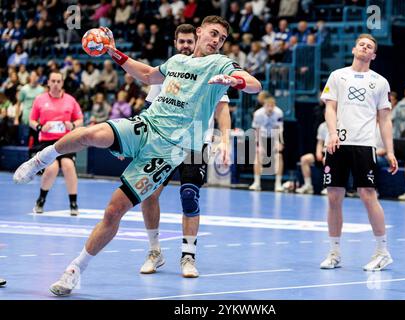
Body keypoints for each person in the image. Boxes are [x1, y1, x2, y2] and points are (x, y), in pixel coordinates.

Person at [13, 15, 261, 296]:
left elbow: (254, 84)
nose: (217, 40)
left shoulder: (220, 63)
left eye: (222, 38)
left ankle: (74, 271)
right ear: (200, 31)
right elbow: (146, 75)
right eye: (213, 33)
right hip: (146, 125)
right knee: (89, 134)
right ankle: (40, 159)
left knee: (114, 210)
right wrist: (112, 51)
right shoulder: (177, 61)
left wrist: (235, 81)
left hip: (170, 150)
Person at [138, 24, 232, 278]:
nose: (186, 45)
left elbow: (223, 109)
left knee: (189, 195)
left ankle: (188, 257)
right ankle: (154, 251)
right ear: (176, 42)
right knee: (149, 193)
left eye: (189, 41)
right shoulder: (172, 66)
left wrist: (225, 140)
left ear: (197, 38)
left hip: (195, 141)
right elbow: (149, 108)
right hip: (163, 140)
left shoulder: (214, 68)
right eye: (182, 41)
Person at [320, 34, 398, 271]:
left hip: (364, 145)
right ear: (354, 49)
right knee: (333, 196)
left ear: (373, 55)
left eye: (370, 47)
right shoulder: (337, 76)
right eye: (362, 44)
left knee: (367, 194)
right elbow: (330, 108)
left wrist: (390, 151)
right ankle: (334, 252)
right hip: (337, 144)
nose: (365, 48)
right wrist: (332, 133)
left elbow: (385, 120)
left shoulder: (380, 82)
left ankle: (382, 251)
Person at [28, 72, 84, 215]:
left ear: (62, 83)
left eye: (58, 81)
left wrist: (72, 125)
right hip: (47, 141)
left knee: (68, 166)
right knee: (51, 168)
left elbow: (80, 120)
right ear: (48, 82)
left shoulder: (70, 100)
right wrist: (41, 127)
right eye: (53, 81)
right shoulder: (40, 100)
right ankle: (41, 200)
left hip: (66, 141)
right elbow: (31, 121)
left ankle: (73, 202)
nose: (56, 84)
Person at [249, 96, 284, 192]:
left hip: (274, 136)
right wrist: (258, 145)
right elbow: (257, 130)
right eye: (268, 106)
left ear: (274, 106)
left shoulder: (279, 113)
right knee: (257, 155)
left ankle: (278, 183)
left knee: (279, 156)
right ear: (264, 106)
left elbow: (279, 129)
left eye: (272, 106)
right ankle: (256, 183)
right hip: (262, 136)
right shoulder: (258, 114)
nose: (270, 108)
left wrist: (279, 142)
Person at [296, 120, 328, 195]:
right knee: (304, 159)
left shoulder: (338, 125)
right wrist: (318, 152)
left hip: (333, 153)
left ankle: (328, 186)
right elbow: (320, 142)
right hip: (323, 151)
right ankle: (308, 185)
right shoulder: (322, 126)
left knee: (326, 160)